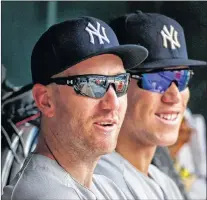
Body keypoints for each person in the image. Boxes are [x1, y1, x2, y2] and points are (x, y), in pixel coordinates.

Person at [2, 16, 148, 200]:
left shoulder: (105, 187)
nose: (113, 104)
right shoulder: (44, 195)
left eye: (120, 82)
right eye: (92, 84)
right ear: (45, 100)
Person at [95, 10, 207, 200]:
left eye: (181, 78)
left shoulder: (164, 182)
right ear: (115, 85)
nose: (174, 96)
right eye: (157, 79)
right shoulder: (96, 183)